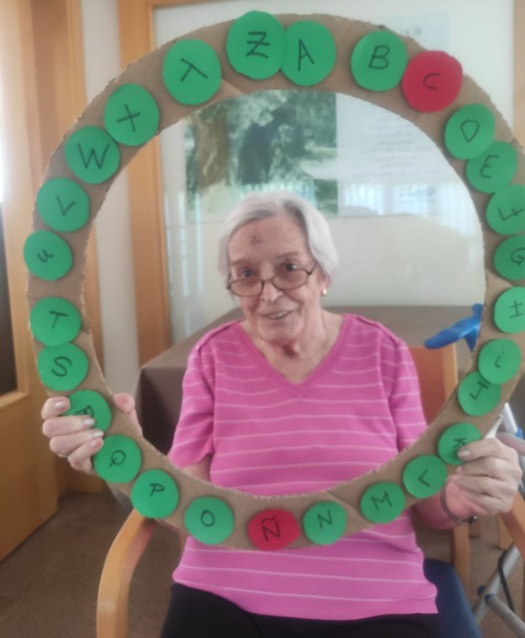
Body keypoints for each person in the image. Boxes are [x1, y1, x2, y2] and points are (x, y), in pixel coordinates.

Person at [41, 190, 522, 638]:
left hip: (377, 598)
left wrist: (464, 493)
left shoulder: (383, 352)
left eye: (290, 268)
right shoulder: (211, 357)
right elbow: (185, 510)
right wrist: (123, 457)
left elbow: (430, 504)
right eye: (246, 273)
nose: (268, 293)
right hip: (224, 594)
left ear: (324, 275)